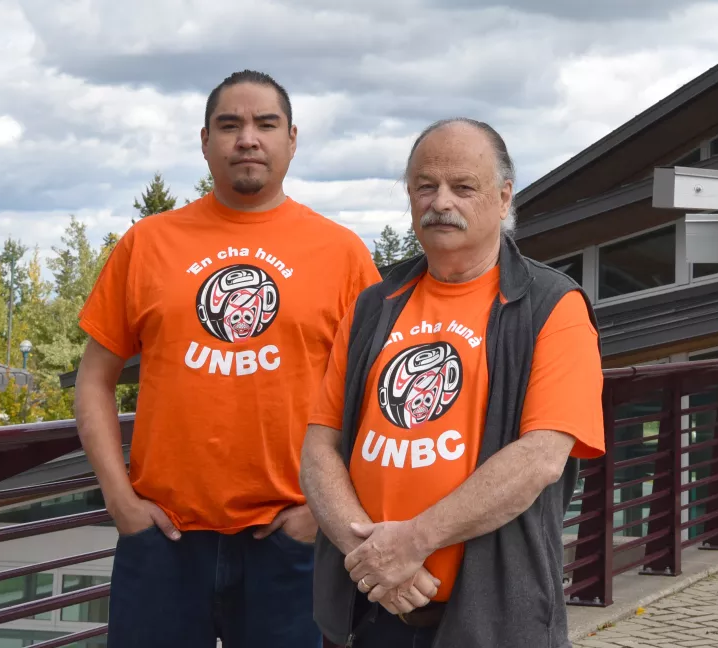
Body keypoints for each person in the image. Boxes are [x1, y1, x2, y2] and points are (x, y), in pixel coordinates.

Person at [74, 69, 381, 648]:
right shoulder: (148, 243)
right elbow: (94, 379)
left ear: (292, 140)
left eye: (266, 124)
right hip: (162, 539)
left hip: (289, 540)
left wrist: (318, 517)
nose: (248, 138)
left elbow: (371, 398)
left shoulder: (341, 253)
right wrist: (119, 499)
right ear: (205, 140)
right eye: (229, 124)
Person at [300, 118, 606, 648]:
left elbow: (540, 458)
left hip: (491, 621)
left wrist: (413, 542)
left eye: (463, 187)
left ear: (504, 197)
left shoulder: (552, 307)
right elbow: (319, 448)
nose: (441, 201)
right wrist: (374, 559)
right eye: (425, 185)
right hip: (367, 611)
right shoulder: (375, 305)